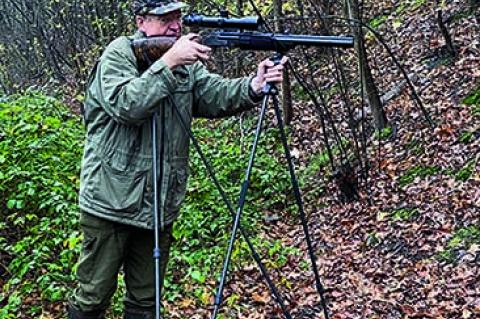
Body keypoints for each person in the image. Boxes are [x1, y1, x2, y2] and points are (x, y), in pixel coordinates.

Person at [67, 0, 286, 318]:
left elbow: (213, 94)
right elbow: (126, 105)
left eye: (177, 17)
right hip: (110, 202)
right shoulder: (120, 53)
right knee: (92, 297)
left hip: (158, 204)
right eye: (164, 18)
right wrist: (168, 62)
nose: (175, 25)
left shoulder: (183, 61)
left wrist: (254, 85)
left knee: (146, 302)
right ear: (141, 22)